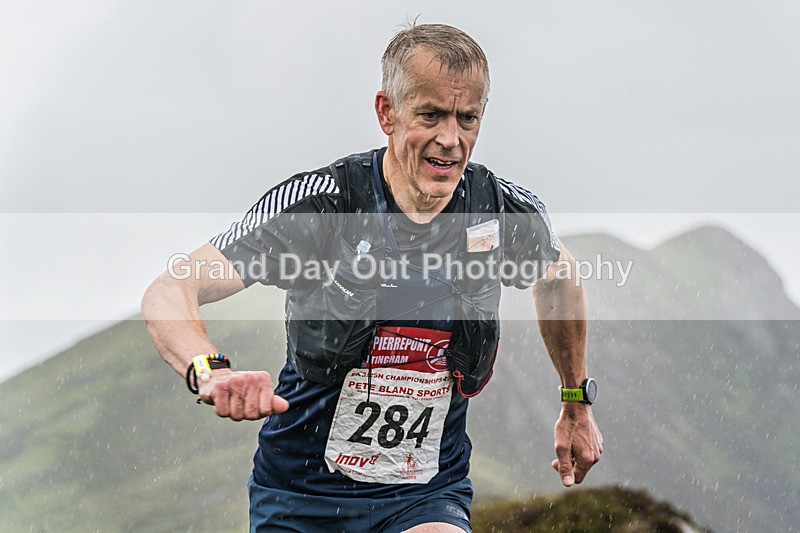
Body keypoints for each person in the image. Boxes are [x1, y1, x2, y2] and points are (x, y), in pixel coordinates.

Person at [142, 23, 602, 533]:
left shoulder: (498, 212)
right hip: (301, 496)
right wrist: (211, 370)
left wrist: (575, 401)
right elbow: (172, 288)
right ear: (387, 112)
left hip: (425, 496)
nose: (450, 140)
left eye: (467, 118)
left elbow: (559, 275)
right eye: (430, 115)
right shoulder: (322, 205)